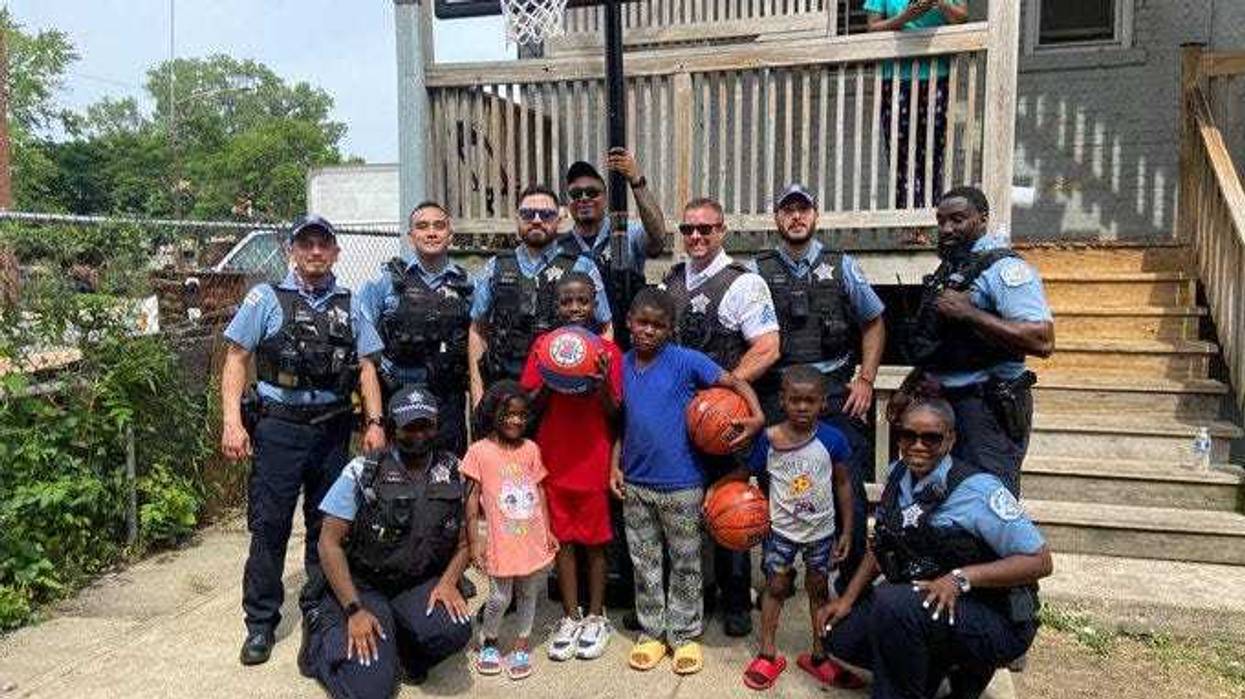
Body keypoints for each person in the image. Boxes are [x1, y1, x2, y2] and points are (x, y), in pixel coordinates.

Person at [219, 214, 386, 666]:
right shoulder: (265, 298)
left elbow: (368, 366)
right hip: (278, 427)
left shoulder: (352, 305)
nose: (315, 252)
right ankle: (260, 623)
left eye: (323, 244)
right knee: (269, 526)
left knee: (326, 524)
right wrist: (232, 423)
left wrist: (375, 421)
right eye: (306, 244)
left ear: (335, 252)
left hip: (332, 426)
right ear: (292, 250)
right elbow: (236, 358)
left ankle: (318, 608)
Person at [816, 395, 1053, 697]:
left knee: (893, 604)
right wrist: (847, 599)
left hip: (994, 615)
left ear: (950, 439)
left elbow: (1040, 561)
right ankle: (937, 667)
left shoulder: (978, 490)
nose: (917, 445)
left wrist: (961, 578)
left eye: (931, 438)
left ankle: (959, 671)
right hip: (934, 606)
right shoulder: (898, 475)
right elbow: (883, 543)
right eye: (908, 435)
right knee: (841, 635)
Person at [612, 287, 764, 675]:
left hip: (682, 483)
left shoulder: (686, 361)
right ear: (629, 322)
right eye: (642, 322)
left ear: (671, 329)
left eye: (658, 325)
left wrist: (758, 416)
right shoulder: (622, 365)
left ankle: (683, 635)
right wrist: (615, 465)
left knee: (685, 563)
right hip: (637, 484)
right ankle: (651, 633)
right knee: (644, 562)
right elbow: (621, 423)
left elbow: (735, 383)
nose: (648, 330)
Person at [748, 183, 885, 592]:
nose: (796, 217)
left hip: (835, 391)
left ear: (815, 215)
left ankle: (851, 589)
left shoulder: (842, 266)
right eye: (787, 210)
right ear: (776, 218)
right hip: (778, 391)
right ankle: (778, 578)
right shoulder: (758, 270)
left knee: (850, 488)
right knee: (776, 487)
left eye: (803, 209)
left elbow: (873, 321)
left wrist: (866, 379)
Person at [299, 386, 473, 697]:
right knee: (372, 690)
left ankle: (398, 642)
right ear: (393, 428)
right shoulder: (363, 471)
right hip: (363, 586)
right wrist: (354, 610)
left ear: (437, 425)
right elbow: (329, 543)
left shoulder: (455, 472)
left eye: (426, 425)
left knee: (453, 629)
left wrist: (448, 582)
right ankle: (320, 633)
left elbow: (465, 541)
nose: (419, 434)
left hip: (415, 583)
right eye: (410, 426)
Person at [659, 195, 780, 637]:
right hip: (679, 419)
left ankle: (735, 599)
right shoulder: (671, 281)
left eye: (705, 229)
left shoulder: (743, 283)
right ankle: (691, 594)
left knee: (732, 504)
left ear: (722, 231)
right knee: (682, 505)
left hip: (723, 419)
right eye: (688, 229)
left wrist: (721, 390)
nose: (696, 236)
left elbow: (767, 347)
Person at [710, 366, 855, 691]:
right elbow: (747, 471)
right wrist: (717, 487)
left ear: (823, 403)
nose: (802, 407)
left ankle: (820, 655)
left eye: (810, 401)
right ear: (782, 401)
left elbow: (843, 484)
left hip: (821, 532)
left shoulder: (833, 439)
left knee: (818, 590)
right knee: (775, 589)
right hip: (781, 532)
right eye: (795, 400)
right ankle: (768, 653)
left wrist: (846, 530)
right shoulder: (770, 439)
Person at [906, 187, 1055, 494]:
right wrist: (910, 385)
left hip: (988, 410)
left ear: (983, 219)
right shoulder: (953, 267)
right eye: (942, 220)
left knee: (988, 500)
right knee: (948, 501)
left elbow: (1042, 339)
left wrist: (969, 314)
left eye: (958, 220)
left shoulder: (1005, 269)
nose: (947, 229)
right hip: (948, 406)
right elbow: (946, 344)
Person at [519, 271, 623, 662]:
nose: (575, 308)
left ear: (594, 303)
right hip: (554, 457)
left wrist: (597, 384)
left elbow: (616, 412)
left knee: (595, 542)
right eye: (567, 301)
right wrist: (551, 376)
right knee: (562, 540)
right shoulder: (543, 345)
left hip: (593, 456)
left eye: (583, 300)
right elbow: (530, 404)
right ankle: (570, 616)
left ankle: (597, 616)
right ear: (557, 305)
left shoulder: (608, 352)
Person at [468, 184, 613, 406]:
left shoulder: (583, 267)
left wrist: (591, 377)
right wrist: (478, 396)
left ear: (559, 220)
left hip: (562, 393)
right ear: (517, 218)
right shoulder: (495, 266)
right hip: (505, 389)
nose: (536, 220)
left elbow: (605, 326)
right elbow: (477, 329)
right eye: (528, 214)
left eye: (546, 214)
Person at [357, 201, 473, 455]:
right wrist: (374, 420)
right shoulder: (385, 283)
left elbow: (477, 344)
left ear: (449, 234)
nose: (431, 232)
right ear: (411, 236)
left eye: (439, 226)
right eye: (422, 227)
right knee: (395, 484)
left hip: (448, 402)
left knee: (448, 482)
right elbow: (366, 357)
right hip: (398, 399)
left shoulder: (468, 286)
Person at [463, 381, 559, 681]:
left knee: (529, 593)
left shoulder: (531, 449)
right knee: (499, 597)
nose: (516, 420)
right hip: (500, 540)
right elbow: (471, 499)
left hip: (531, 537)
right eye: (508, 414)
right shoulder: (479, 451)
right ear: (493, 414)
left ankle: (522, 643)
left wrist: (548, 530)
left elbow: (539, 491)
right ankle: (489, 640)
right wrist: (474, 540)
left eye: (521, 415)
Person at [865, 0, 968, 211]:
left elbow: (961, 18)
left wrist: (939, 2)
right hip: (895, 77)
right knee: (900, 153)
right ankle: (909, 225)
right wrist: (905, 17)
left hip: (936, 74)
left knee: (933, 151)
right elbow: (872, 27)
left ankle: (931, 218)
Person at [559, 151, 667, 349]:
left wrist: (636, 182)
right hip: (579, 350)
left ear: (606, 198)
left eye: (592, 192)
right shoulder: (559, 247)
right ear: (568, 202)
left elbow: (658, 238)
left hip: (630, 347)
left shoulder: (626, 232)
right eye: (576, 194)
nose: (584, 198)